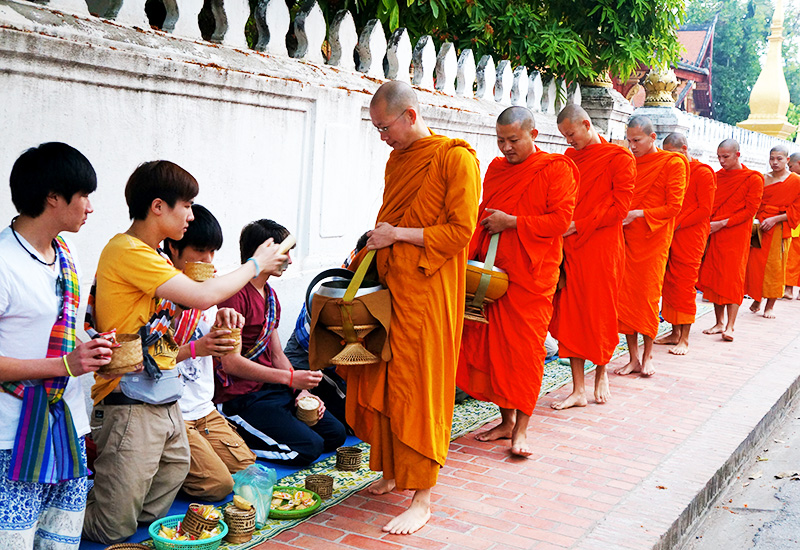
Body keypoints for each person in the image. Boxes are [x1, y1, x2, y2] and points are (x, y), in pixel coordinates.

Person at [83, 161, 287, 544]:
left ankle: (117, 503)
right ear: (158, 206)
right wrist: (256, 264)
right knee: (114, 527)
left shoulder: (156, 256)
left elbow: (172, 329)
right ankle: (61, 514)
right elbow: (202, 294)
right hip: (128, 399)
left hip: (160, 392)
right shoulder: (127, 251)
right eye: (187, 205)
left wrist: (217, 311)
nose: (191, 216)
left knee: (169, 478)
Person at [339, 80, 480, 535]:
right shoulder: (397, 160)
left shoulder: (454, 158)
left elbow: (460, 232)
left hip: (430, 293)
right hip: (391, 288)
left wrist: (397, 235)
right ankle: (392, 471)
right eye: (377, 129)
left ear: (411, 115)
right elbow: (391, 218)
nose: (382, 136)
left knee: (421, 388)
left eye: (385, 127)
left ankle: (423, 498)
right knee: (379, 376)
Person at [0, 143, 113, 549]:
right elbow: (61, 359)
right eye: (83, 195)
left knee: (61, 538)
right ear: (52, 197)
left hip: (66, 426)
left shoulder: (68, 255)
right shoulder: (3, 261)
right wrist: (65, 365)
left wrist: (93, 346)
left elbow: (67, 331)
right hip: (12, 434)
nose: (89, 207)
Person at [457, 106, 578, 454]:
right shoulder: (495, 169)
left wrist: (512, 222)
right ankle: (506, 421)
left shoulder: (556, 170)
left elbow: (560, 221)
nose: (506, 148)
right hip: (492, 278)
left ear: (533, 135)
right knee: (495, 351)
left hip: (532, 277)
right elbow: (482, 213)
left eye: (513, 140)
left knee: (524, 353)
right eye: (500, 140)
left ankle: (522, 429)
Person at [215, 219, 347, 467]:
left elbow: (276, 354)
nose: (290, 260)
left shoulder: (270, 295)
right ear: (263, 252)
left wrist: (301, 390)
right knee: (309, 449)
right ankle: (235, 437)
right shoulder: (233, 294)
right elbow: (230, 363)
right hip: (241, 397)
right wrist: (289, 379)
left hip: (272, 388)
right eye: (285, 252)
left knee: (335, 434)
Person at [163, 204, 256, 501]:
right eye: (200, 251)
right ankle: (161, 471)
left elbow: (229, 359)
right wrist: (198, 347)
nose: (208, 261)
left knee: (249, 470)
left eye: (213, 252)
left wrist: (228, 324)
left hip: (203, 409)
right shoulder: (161, 290)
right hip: (170, 411)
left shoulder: (208, 294)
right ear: (173, 248)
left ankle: (181, 464)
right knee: (219, 485)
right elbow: (146, 356)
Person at [549, 104, 635, 409]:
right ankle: (577, 389)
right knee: (572, 315)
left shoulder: (619, 159)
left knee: (599, 313)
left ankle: (601, 373)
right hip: (570, 247)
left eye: (571, 134)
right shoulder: (569, 159)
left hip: (602, 248)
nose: (569, 141)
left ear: (587, 124)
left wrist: (579, 225)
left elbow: (620, 209)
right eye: (565, 136)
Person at [614, 116, 688, 377]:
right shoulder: (629, 162)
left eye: (637, 140)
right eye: (630, 140)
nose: (632, 146)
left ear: (652, 137)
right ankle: (633, 357)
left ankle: (648, 357)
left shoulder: (672, 163)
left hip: (653, 240)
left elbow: (673, 206)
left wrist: (638, 214)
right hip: (626, 239)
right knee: (625, 299)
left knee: (646, 297)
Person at [282, 232, 370, 431]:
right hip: (309, 365)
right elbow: (321, 353)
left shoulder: (369, 286)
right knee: (356, 422)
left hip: (339, 365)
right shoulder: (335, 291)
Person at [654, 133, 717, 355]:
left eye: (674, 154)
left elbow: (704, 209)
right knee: (669, 283)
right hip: (670, 234)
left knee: (684, 284)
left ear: (684, 149)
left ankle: (685, 338)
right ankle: (674, 332)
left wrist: (677, 223)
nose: (671, 160)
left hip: (690, 235)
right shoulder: (670, 170)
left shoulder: (702, 173)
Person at [697, 140, 763, 341]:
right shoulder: (717, 178)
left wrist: (723, 223)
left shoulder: (752, 178)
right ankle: (718, 323)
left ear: (737, 155)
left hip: (736, 234)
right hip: (714, 233)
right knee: (715, 276)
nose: (721, 161)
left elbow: (750, 211)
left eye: (725, 157)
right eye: (719, 156)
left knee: (733, 278)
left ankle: (731, 326)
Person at [744, 146, 800, 319]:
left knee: (775, 268)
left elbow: (797, 209)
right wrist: (758, 220)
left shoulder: (796, 181)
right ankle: (757, 298)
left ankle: (770, 305)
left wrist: (774, 220)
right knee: (755, 265)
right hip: (760, 226)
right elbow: (753, 202)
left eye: (779, 159)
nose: (775, 162)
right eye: (772, 159)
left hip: (778, 228)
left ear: (787, 161)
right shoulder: (762, 178)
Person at [783, 152, 800, 299]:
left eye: (791, 166)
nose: (789, 170)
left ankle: (790, 289)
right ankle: (789, 289)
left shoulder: (795, 181)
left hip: (797, 225)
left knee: (793, 258)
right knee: (793, 258)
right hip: (796, 224)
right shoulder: (793, 181)